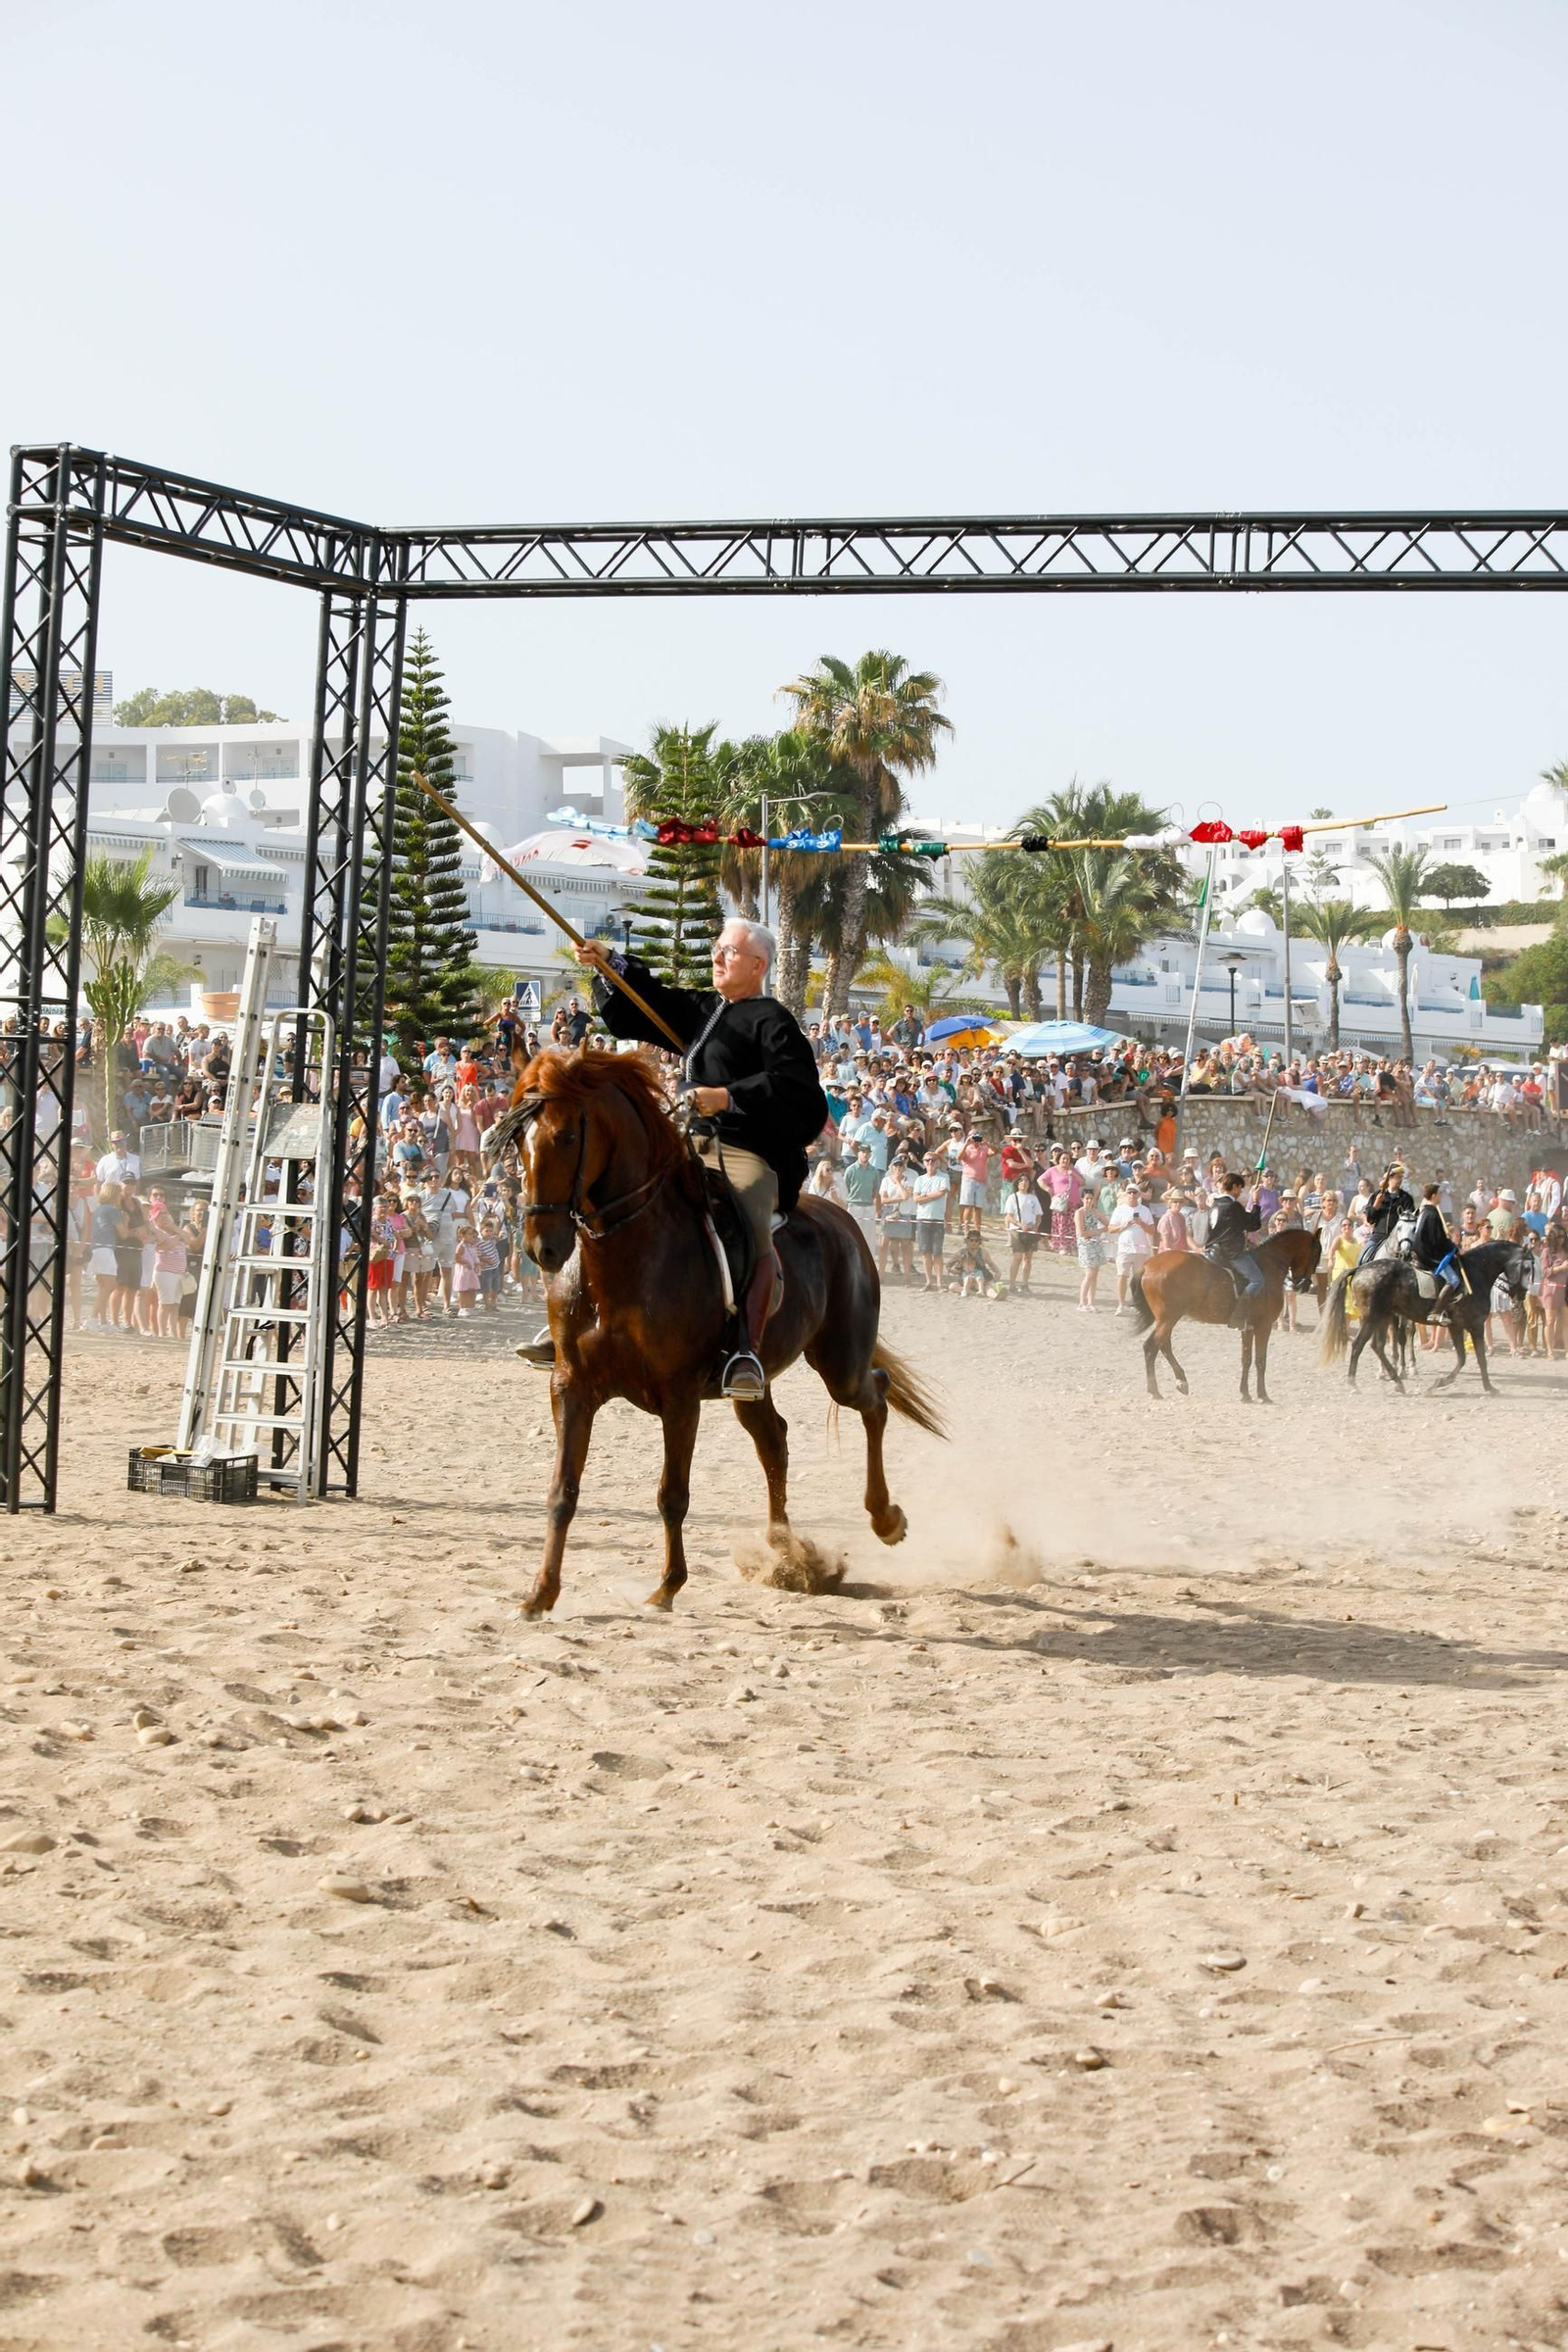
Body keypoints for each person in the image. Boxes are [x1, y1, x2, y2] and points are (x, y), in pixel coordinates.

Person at [564, 919, 827, 1401]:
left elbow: (799, 1092)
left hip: (749, 1151)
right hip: (690, 1142)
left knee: (750, 1216)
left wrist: (727, 1097)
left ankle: (747, 1349)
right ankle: (577, 1319)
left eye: (729, 951)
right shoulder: (707, 1010)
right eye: (717, 948)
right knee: (615, 1196)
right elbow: (649, 1003)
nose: (717, 957)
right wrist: (608, 963)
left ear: (758, 966)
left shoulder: (774, 1021)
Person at [1205, 1172, 1264, 1326]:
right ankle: (1238, 1316)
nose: (1240, 1192)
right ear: (1235, 1186)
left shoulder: (1214, 1205)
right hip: (1230, 1252)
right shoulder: (1233, 1206)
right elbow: (1254, 1224)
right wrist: (1256, 1201)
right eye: (1240, 1188)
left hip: (1212, 1249)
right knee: (1257, 1280)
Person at [1410, 1182, 1462, 1318]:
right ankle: (1436, 1311)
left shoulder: (1424, 1212)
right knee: (1454, 1280)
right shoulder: (1432, 1214)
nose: (1440, 1197)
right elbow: (1438, 1240)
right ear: (1433, 1196)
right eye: (1439, 1194)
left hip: (1420, 1251)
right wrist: (1454, 1248)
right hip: (1428, 1255)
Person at [1359, 1159, 1414, 1265]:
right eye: (1398, 1177)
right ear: (1390, 1178)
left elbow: (1409, 1220)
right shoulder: (1376, 1195)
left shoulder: (1406, 1198)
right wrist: (1376, 1204)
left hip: (1399, 1238)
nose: (1401, 1180)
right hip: (1379, 1236)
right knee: (1361, 1259)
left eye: (1401, 1177)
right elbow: (1370, 1220)